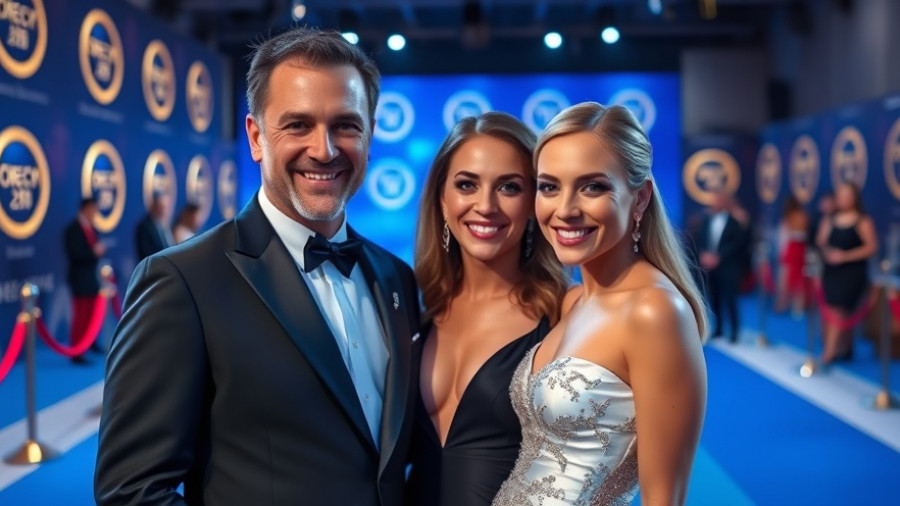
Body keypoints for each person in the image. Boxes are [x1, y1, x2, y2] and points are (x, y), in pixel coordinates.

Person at [95, 28, 421, 506]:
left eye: (346, 126)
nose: (324, 149)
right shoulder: (182, 281)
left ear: (370, 135)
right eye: (298, 125)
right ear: (256, 137)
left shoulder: (395, 276)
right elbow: (132, 491)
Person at [492, 103, 707, 505]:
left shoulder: (655, 312)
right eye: (549, 187)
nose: (565, 210)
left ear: (639, 199)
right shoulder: (573, 300)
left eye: (592, 187)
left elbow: (664, 498)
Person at [406, 112, 570, 506]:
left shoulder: (564, 315)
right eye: (467, 184)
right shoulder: (415, 309)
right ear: (442, 200)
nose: (485, 205)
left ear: (534, 204)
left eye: (509, 187)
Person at [815, 181, 877, 364]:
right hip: (831, 271)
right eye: (840, 195)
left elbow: (871, 247)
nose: (843, 199)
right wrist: (828, 253)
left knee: (840, 309)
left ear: (855, 198)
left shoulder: (862, 220)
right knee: (831, 309)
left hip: (852, 272)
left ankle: (829, 353)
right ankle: (844, 347)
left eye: (847, 196)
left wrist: (845, 256)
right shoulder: (830, 219)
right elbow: (820, 242)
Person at [697, 190, 752, 343]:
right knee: (714, 298)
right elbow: (701, 238)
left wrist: (719, 257)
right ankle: (719, 329)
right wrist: (704, 254)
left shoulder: (736, 221)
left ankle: (734, 331)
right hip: (710, 267)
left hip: (729, 267)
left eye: (719, 200)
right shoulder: (707, 219)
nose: (716, 203)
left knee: (730, 299)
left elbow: (739, 243)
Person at [63, 197, 106, 364]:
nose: (95, 213)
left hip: (92, 277)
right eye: (93, 209)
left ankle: (91, 342)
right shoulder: (73, 229)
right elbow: (75, 253)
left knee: (91, 314)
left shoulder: (91, 227)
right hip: (79, 278)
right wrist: (93, 253)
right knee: (80, 316)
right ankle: (77, 351)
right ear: (86, 209)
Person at [775, 194, 809, 316]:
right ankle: (794, 306)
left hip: (793, 249)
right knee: (794, 279)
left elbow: (784, 237)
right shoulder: (802, 216)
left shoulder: (792, 218)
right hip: (795, 250)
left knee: (789, 277)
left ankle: (786, 304)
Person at [134, 193, 173, 260]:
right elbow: (146, 255)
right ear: (153, 206)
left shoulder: (164, 225)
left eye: (166, 208)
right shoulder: (144, 227)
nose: (164, 211)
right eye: (161, 207)